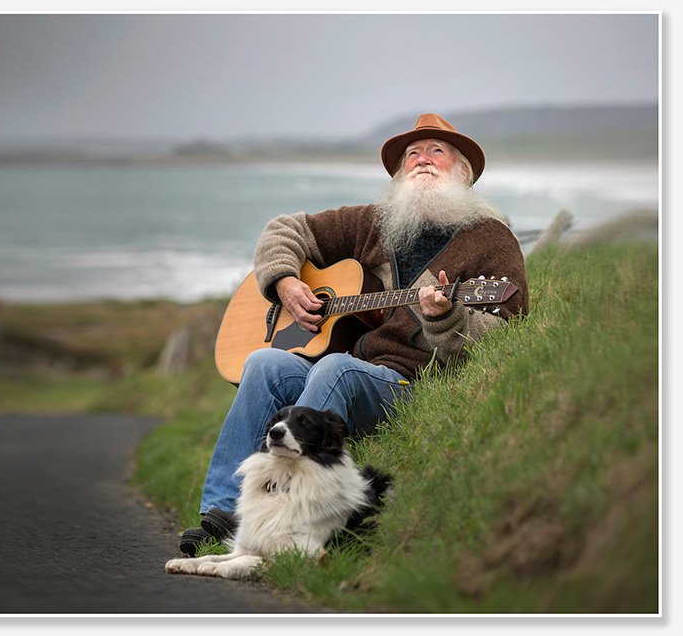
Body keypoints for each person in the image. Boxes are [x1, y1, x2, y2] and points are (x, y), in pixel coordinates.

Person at [179, 113, 530, 555]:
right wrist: (285, 283)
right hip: (350, 368)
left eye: (437, 152)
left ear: (463, 172)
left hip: (412, 382)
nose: (422, 160)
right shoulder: (373, 223)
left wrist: (446, 319)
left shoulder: (492, 242)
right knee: (264, 362)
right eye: (412, 154)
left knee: (336, 367)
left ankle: (289, 520)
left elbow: (504, 332)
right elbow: (284, 229)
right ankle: (222, 515)